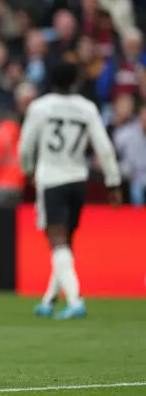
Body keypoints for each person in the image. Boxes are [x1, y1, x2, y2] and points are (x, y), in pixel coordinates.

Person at [18, 62, 122, 320]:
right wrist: (113, 182)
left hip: (51, 178)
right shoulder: (87, 108)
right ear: (76, 80)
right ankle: (49, 299)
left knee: (57, 240)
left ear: (50, 80)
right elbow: (104, 147)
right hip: (78, 178)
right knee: (66, 240)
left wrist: (28, 169)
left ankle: (76, 301)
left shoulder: (40, 107)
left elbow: (26, 144)